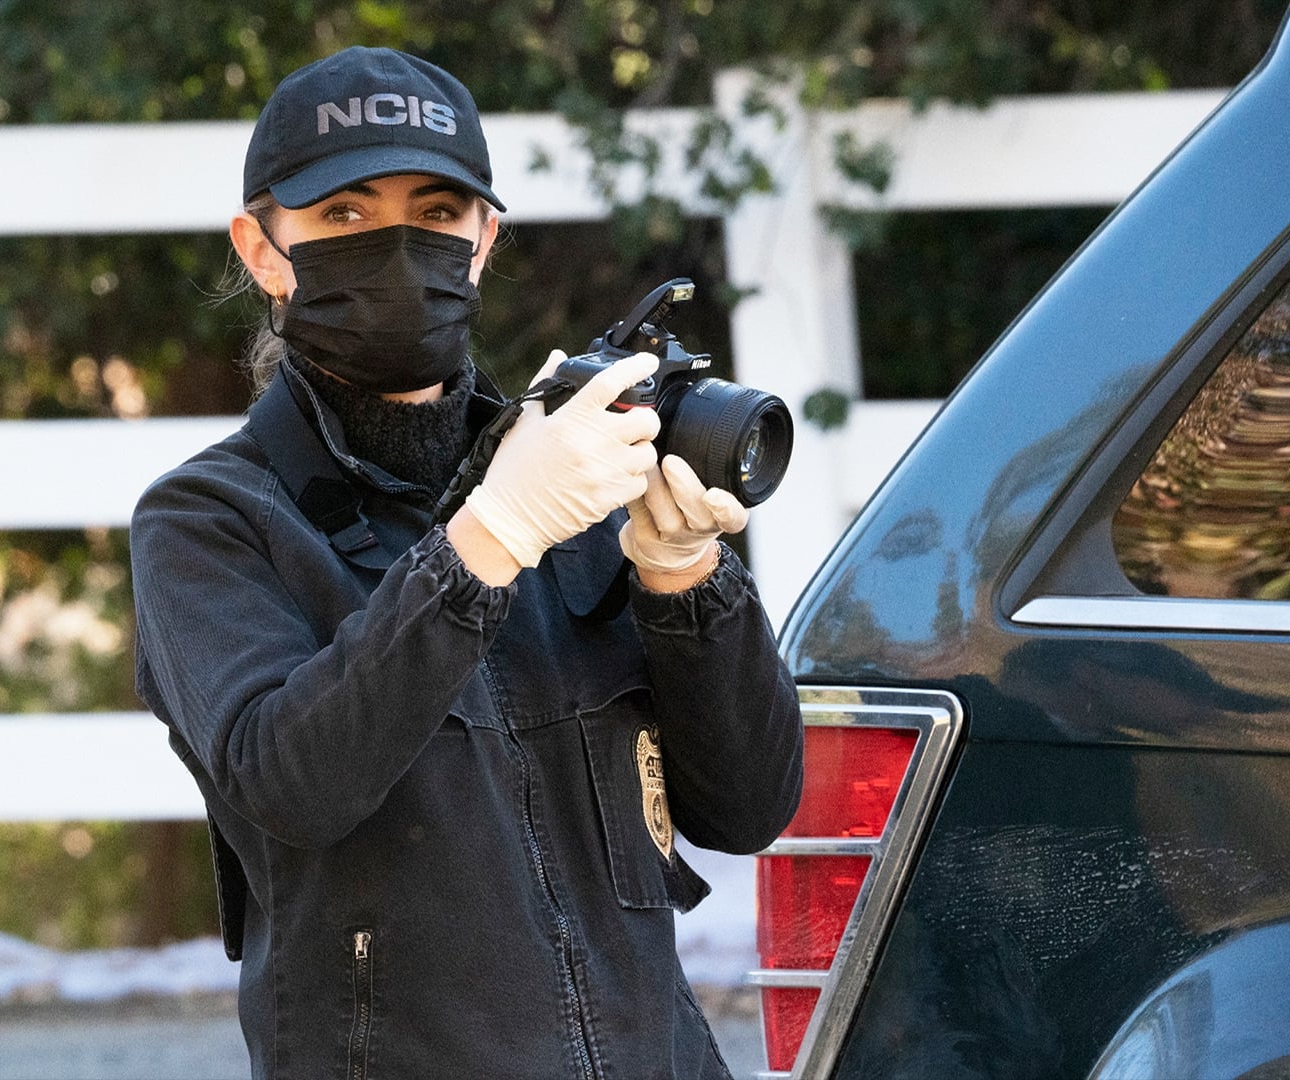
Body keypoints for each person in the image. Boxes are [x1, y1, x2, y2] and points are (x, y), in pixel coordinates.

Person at [131, 45, 803, 1080]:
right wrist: (490, 539)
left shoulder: (573, 473)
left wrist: (684, 578)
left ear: (484, 241)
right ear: (262, 250)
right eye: (344, 214)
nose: (398, 248)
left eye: (437, 212)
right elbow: (292, 784)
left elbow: (748, 807)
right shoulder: (209, 519)